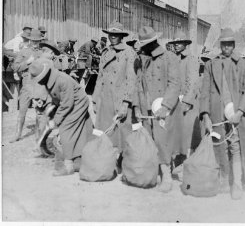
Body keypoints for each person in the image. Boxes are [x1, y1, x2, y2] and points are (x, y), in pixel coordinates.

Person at [200, 28, 245, 199]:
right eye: (223, 44)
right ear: (220, 45)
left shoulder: (243, 65)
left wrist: (240, 112)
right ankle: (224, 180)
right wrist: (205, 115)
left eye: (229, 44)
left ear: (233, 45)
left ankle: (237, 183)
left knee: (235, 146)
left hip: (236, 113)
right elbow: (205, 91)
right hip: (217, 113)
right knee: (219, 145)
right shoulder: (211, 64)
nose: (226, 47)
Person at [134, 26, 180, 193]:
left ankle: (166, 175)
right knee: (150, 140)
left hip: (163, 108)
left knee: (163, 141)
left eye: (146, 44)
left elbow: (174, 84)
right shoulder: (141, 60)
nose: (143, 48)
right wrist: (136, 107)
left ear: (154, 42)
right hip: (146, 108)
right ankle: (156, 173)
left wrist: (166, 105)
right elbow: (137, 84)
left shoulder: (170, 58)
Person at [29, 58, 92, 176]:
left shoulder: (62, 80)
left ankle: (68, 166)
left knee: (66, 129)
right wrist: (50, 106)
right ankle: (78, 159)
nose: (39, 81)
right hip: (67, 103)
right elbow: (57, 97)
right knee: (75, 131)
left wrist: (55, 121)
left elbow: (67, 104)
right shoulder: (48, 80)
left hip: (78, 103)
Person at [92, 22, 138, 165]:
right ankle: (108, 161)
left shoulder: (129, 53)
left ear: (121, 36)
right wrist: (95, 99)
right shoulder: (105, 52)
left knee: (122, 131)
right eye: (110, 34)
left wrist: (126, 103)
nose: (112, 37)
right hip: (105, 97)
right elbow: (100, 77)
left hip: (119, 98)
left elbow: (131, 79)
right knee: (105, 130)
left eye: (116, 34)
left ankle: (124, 161)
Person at [167, 31, 199, 167]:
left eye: (179, 43)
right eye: (175, 43)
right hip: (175, 100)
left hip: (187, 102)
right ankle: (176, 161)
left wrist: (187, 101)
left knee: (187, 133)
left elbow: (193, 81)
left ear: (186, 44)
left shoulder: (190, 59)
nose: (176, 45)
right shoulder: (173, 58)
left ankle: (186, 162)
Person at [10, 29, 43, 143]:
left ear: (40, 41)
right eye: (33, 40)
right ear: (29, 40)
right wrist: (28, 62)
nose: (35, 43)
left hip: (39, 85)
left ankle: (39, 135)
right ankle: (17, 134)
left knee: (39, 111)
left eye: (37, 41)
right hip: (27, 84)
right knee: (22, 110)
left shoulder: (42, 52)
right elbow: (15, 67)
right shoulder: (24, 52)